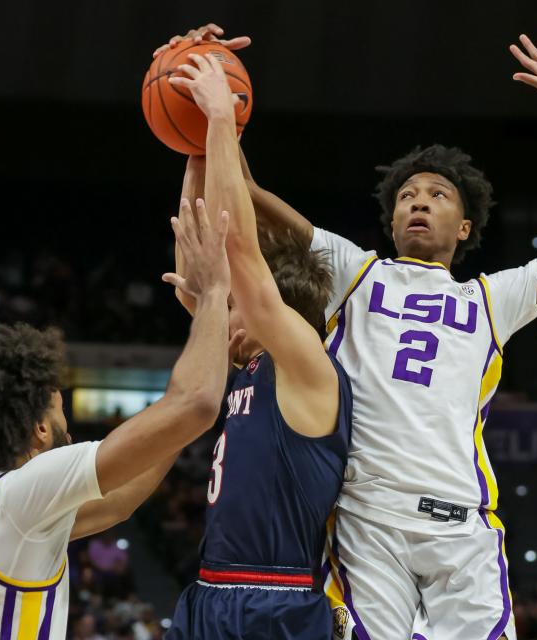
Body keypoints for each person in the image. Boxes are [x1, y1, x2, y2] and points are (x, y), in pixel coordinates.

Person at [156, 22, 537, 639]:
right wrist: (197, 84)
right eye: (407, 194)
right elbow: (242, 195)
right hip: (366, 520)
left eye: (438, 195)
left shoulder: (496, 299)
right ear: (391, 217)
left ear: (464, 227)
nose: (418, 201)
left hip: (463, 526)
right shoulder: (355, 273)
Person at [0, 205, 233, 639]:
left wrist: (212, 350)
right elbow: (195, 404)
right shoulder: (21, 493)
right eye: (60, 414)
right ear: (39, 430)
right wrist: (213, 297)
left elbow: (119, 501)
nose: (70, 432)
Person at [160, 50, 352, 638]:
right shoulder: (247, 360)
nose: (223, 310)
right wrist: (193, 140)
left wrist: (221, 120)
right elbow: (198, 278)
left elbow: (238, 254)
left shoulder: (307, 367)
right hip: (211, 589)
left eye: (234, 303)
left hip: (279, 599)